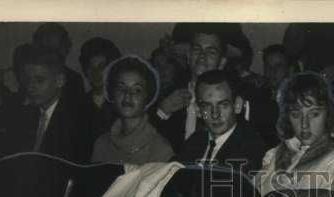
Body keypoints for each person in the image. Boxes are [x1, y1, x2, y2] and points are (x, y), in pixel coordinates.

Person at [0, 46, 92, 162]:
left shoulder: (78, 119)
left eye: (39, 80)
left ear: (60, 81)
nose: (30, 87)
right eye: (27, 80)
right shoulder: (26, 114)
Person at [257, 72, 334, 197]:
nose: (304, 124)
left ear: (328, 114)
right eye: (296, 115)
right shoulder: (278, 153)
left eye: (314, 114)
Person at [152, 24, 229, 154]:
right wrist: (162, 111)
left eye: (211, 52)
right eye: (196, 49)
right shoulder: (168, 96)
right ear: (188, 56)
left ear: (221, 62)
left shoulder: (230, 101)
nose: (202, 56)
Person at [176, 69, 266, 172]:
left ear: (237, 105)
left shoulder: (253, 149)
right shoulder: (193, 142)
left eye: (223, 105)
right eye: (206, 106)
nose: (215, 115)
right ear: (198, 110)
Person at [92, 56, 174, 165]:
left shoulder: (160, 149)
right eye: (121, 88)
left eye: (137, 90)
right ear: (112, 93)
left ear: (147, 97)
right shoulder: (101, 145)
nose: (127, 95)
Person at [79, 37, 121, 141]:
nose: (96, 73)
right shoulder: (79, 104)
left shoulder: (122, 101)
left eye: (101, 67)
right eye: (90, 67)